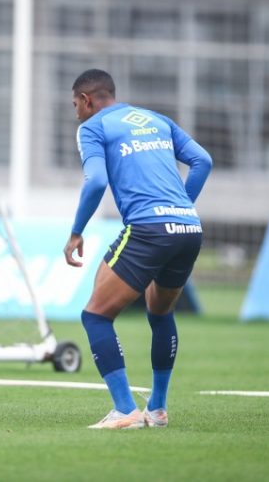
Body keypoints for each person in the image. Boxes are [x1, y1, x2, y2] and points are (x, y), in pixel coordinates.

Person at [63, 69, 212, 429]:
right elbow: (203, 161)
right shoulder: (157, 119)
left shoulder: (92, 127)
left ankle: (126, 409)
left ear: (87, 101)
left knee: (95, 316)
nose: (76, 113)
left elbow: (96, 180)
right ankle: (157, 409)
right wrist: (179, 206)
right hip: (188, 228)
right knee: (160, 314)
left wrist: (76, 232)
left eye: (75, 106)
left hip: (148, 230)